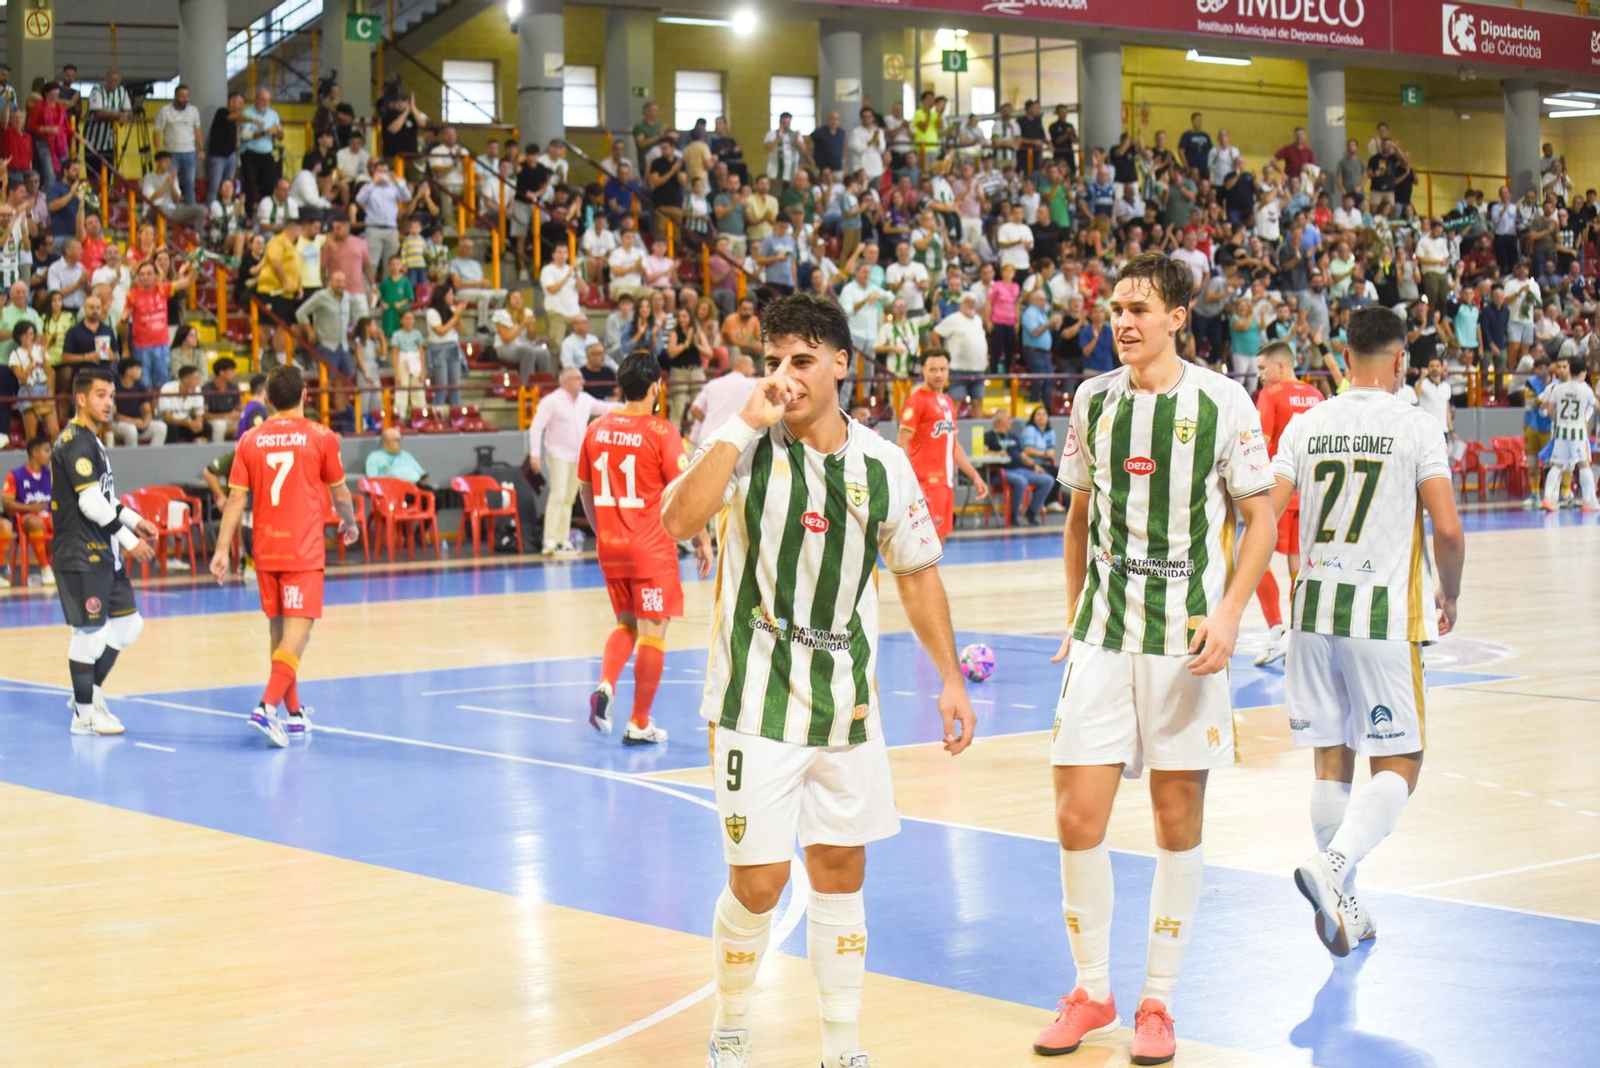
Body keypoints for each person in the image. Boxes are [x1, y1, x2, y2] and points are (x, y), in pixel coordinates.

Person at [660, 293, 976, 1068]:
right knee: (762, 883)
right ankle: (731, 1025)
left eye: (801, 360)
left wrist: (950, 678)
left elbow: (918, 575)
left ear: (841, 363)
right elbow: (676, 521)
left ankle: (842, 1048)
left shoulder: (882, 463)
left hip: (846, 706)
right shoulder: (745, 448)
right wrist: (740, 421)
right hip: (752, 702)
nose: (785, 376)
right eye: (773, 361)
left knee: (840, 872)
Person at [1036, 253, 1276, 1065]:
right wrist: (1074, 614)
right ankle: (1091, 990)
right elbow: (1076, 522)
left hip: (1183, 645)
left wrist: (1233, 612)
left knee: (1177, 822)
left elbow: (1260, 520)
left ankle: (1157, 1003)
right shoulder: (1091, 401)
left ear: (1180, 315)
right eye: (1115, 308)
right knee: (1077, 818)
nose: (1123, 321)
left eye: (1140, 308)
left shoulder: (1223, 401)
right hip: (1103, 637)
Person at [1271, 307, 1465, 957]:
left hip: (1310, 611)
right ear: (1401, 359)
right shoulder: (1416, 426)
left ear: (1344, 357)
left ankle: (1348, 905)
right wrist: (1451, 590)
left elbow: (1262, 516)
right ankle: (1332, 871)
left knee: (1332, 759)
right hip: (1379, 614)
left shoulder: (1307, 423)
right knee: (1401, 762)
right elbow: (1448, 529)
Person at [209, 365, 358, 745]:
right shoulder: (321, 436)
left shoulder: (250, 440)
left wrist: (222, 549)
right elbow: (340, 493)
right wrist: (350, 522)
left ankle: (293, 714)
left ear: (269, 400)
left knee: (279, 634)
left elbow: (236, 500)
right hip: (302, 550)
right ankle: (267, 707)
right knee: (299, 634)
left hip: (266, 550)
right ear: (305, 395)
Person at [576, 351, 713, 744]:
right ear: (656, 388)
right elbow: (685, 494)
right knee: (653, 632)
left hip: (610, 547)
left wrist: (604, 528)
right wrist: (701, 539)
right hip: (650, 548)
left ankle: (605, 684)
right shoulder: (661, 432)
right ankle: (638, 723)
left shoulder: (596, 428)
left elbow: (585, 490)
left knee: (626, 623)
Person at [50, 367, 158, 735]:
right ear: (81, 398)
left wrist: (134, 520)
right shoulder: (75, 441)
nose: (109, 402)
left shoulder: (93, 440)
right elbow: (91, 504)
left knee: (129, 625)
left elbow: (108, 498)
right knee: (89, 635)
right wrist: (131, 542)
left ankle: (89, 693)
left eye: (111, 395)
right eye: (101, 395)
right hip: (82, 553)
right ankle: (83, 716)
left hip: (104, 551)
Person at [1251, 342, 1323, 668]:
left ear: (1280, 366)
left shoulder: (1271, 394)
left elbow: (1261, 444)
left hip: (1278, 492)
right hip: (1311, 494)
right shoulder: (1317, 396)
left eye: (1262, 369)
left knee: (1252, 558)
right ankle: (1298, 633)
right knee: (1299, 565)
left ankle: (1277, 629)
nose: (1260, 376)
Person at [897, 350, 987, 542]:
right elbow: (902, 441)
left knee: (940, 542)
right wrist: (913, 483)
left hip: (945, 483)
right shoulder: (918, 400)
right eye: (933, 369)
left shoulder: (947, 402)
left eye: (942, 369)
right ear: (923, 371)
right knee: (925, 545)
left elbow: (953, 445)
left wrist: (974, 476)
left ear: (948, 371)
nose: (938, 374)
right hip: (926, 484)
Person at [530, 366, 614, 555]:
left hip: (577, 456)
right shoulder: (551, 401)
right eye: (578, 378)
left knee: (569, 498)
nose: (582, 381)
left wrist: (632, 406)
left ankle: (563, 539)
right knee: (558, 495)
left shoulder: (584, 400)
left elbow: (604, 407)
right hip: (558, 455)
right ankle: (549, 540)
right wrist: (534, 454)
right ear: (566, 381)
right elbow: (536, 428)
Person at [1539, 356, 1598, 512]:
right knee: (1584, 464)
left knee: (1557, 465)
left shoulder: (1559, 388)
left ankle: (1548, 498)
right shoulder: (1585, 389)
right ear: (1583, 372)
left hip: (1561, 431)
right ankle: (1589, 501)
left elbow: (1550, 410)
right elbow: (1597, 406)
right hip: (1578, 432)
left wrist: (1558, 422)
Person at [3, 435, 53, 584]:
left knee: (65, 522)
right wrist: (31, 508)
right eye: (46, 451)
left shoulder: (51, 475)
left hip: (48, 516)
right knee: (35, 522)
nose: (49, 454)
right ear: (34, 453)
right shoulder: (16, 475)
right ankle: (45, 569)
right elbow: (6, 503)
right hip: (26, 519)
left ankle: (65, 569)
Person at [688, 352, 759, 445]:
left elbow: (694, 409)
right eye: (751, 366)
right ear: (743, 366)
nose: (753, 371)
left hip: (707, 436)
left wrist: (709, 420)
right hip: (728, 441)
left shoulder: (712, 384)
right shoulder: (751, 384)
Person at [364, 426, 431, 487]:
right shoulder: (375, 457)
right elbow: (372, 480)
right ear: (386, 442)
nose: (400, 443)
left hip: (417, 487)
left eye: (400, 439)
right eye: (396, 440)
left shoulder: (406, 455)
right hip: (394, 491)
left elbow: (422, 474)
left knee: (438, 495)